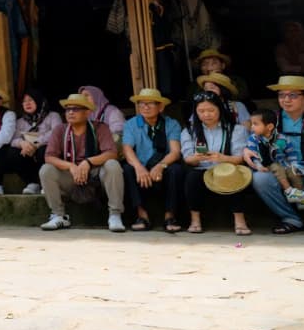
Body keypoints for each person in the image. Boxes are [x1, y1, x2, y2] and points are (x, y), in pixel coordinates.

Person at [39, 92, 126, 232]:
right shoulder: (60, 129)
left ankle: (115, 214)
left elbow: (111, 153)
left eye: (76, 109)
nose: (71, 112)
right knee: (46, 169)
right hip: (71, 174)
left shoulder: (100, 127)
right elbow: (49, 156)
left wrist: (88, 162)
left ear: (87, 112)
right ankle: (58, 216)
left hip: (95, 174)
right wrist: (71, 166)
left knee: (112, 165)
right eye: (68, 109)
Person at [181, 91, 251, 235]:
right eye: (201, 111)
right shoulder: (189, 130)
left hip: (226, 168)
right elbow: (187, 158)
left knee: (233, 175)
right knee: (192, 177)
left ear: (220, 109)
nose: (206, 114)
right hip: (201, 169)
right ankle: (195, 220)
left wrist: (222, 158)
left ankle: (240, 220)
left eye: (211, 110)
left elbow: (239, 158)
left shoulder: (236, 129)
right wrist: (197, 157)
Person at [121, 88, 185, 233]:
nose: (145, 107)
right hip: (142, 168)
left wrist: (161, 165)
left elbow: (175, 152)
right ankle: (142, 216)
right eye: (142, 104)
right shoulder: (131, 124)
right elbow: (127, 149)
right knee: (127, 169)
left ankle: (170, 216)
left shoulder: (171, 124)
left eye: (150, 104)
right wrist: (139, 167)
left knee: (176, 170)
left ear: (160, 107)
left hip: (163, 167)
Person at [246, 76, 304, 234]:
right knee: (260, 178)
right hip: (280, 167)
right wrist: (246, 151)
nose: (286, 99)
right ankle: (292, 219)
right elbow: (254, 139)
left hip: (299, 167)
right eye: (281, 95)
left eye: (293, 95)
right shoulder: (272, 119)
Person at [7, 88, 62, 195]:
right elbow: (13, 139)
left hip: (45, 150)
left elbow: (57, 133)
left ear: (39, 101)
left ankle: (45, 184)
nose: (27, 103)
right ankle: (32, 183)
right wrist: (22, 143)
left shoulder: (53, 116)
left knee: (43, 150)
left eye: (30, 100)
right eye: (24, 101)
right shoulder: (20, 121)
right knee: (11, 153)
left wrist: (36, 144)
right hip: (28, 152)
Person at [243, 109, 304, 204]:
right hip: (265, 165)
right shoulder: (253, 139)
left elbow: (291, 153)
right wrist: (258, 166)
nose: (252, 127)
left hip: (283, 164)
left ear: (270, 127)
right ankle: (289, 191)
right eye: (252, 123)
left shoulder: (282, 139)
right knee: (276, 167)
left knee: (294, 173)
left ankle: (300, 199)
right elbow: (253, 155)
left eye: (255, 124)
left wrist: (294, 165)